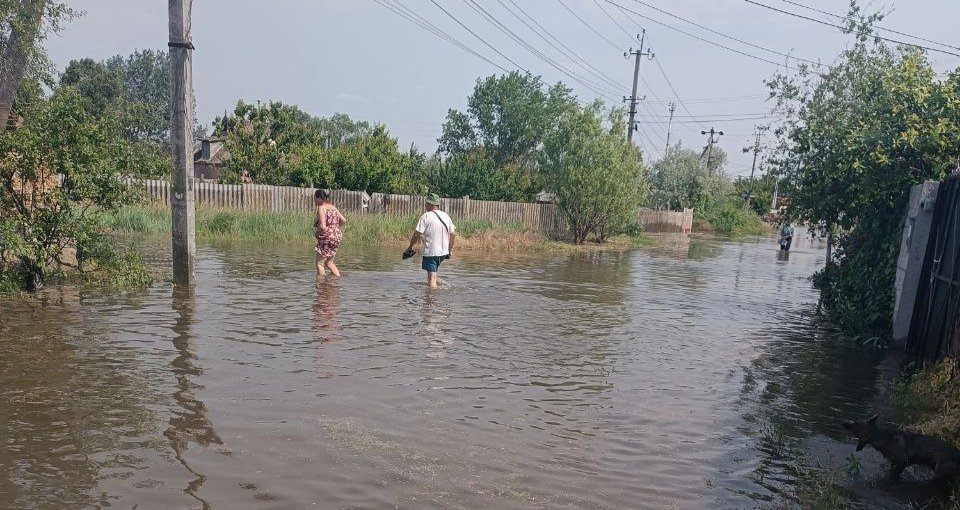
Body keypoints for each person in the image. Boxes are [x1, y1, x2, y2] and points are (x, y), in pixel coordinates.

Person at [405, 193, 456, 288]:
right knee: (433, 275)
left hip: (431, 252)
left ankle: (431, 300)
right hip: (443, 253)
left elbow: (417, 234)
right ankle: (440, 288)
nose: (425, 205)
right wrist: (450, 249)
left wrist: (410, 247)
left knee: (431, 278)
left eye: (426, 203)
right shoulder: (446, 216)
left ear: (429, 204)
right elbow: (453, 233)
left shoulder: (426, 216)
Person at [314, 188, 346, 276]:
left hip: (327, 237)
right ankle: (337, 279)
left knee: (319, 264)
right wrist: (334, 227)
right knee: (329, 263)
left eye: (315, 198)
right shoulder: (333, 207)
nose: (314, 201)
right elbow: (343, 220)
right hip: (337, 236)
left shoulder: (321, 207)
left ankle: (321, 285)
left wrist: (316, 234)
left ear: (319, 198)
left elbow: (323, 227)